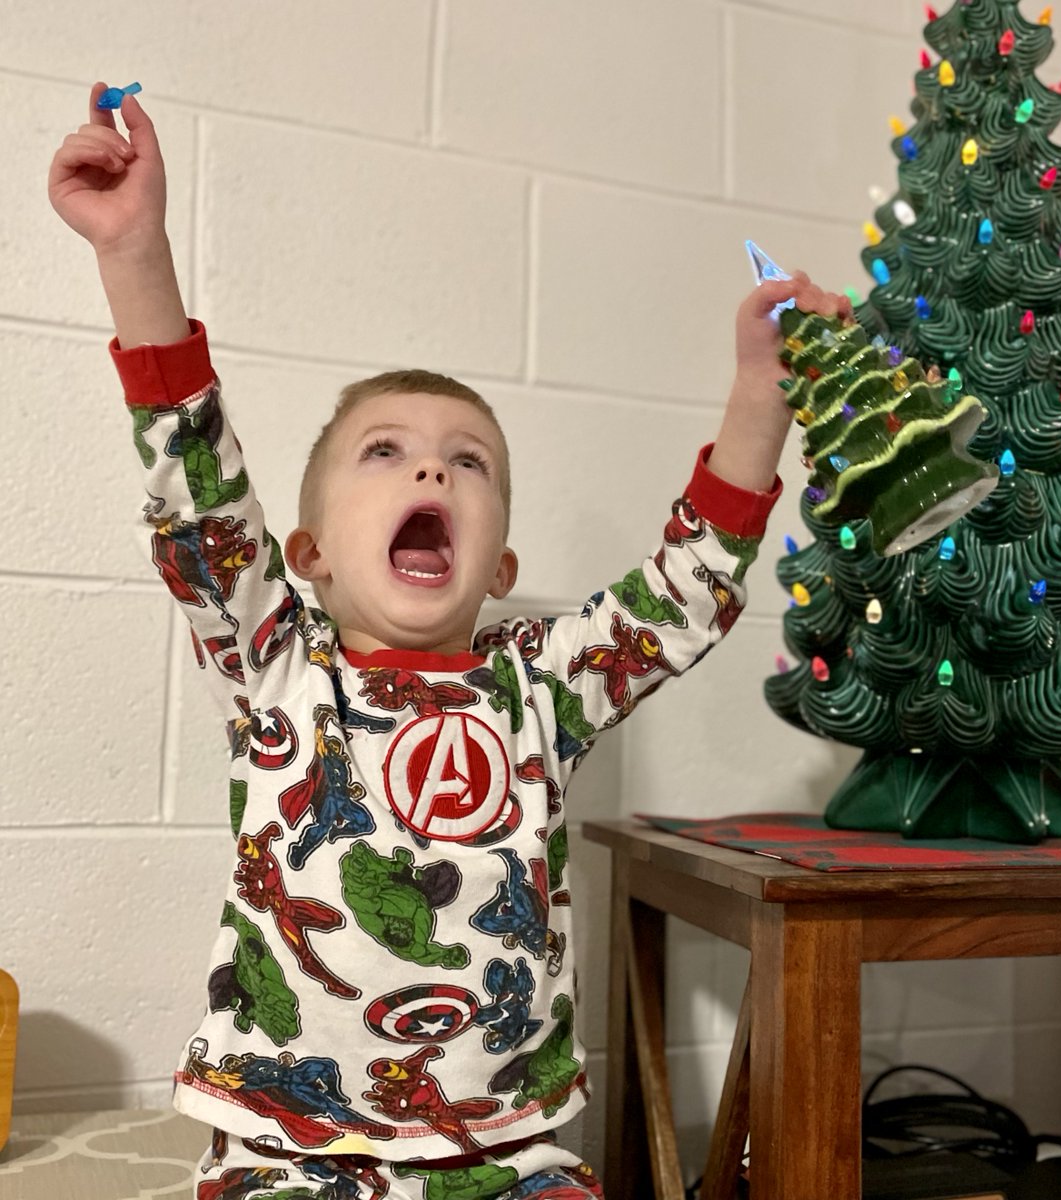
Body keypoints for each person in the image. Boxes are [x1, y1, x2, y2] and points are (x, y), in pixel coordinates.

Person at [48, 81, 849, 1200]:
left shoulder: (545, 684)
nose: (431, 469)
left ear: (501, 571)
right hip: (289, 1143)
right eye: (387, 451)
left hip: (503, 1149)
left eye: (466, 461)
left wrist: (762, 399)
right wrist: (137, 257)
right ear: (312, 552)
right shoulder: (275, 655)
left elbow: (687, 595)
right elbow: (196, 489)